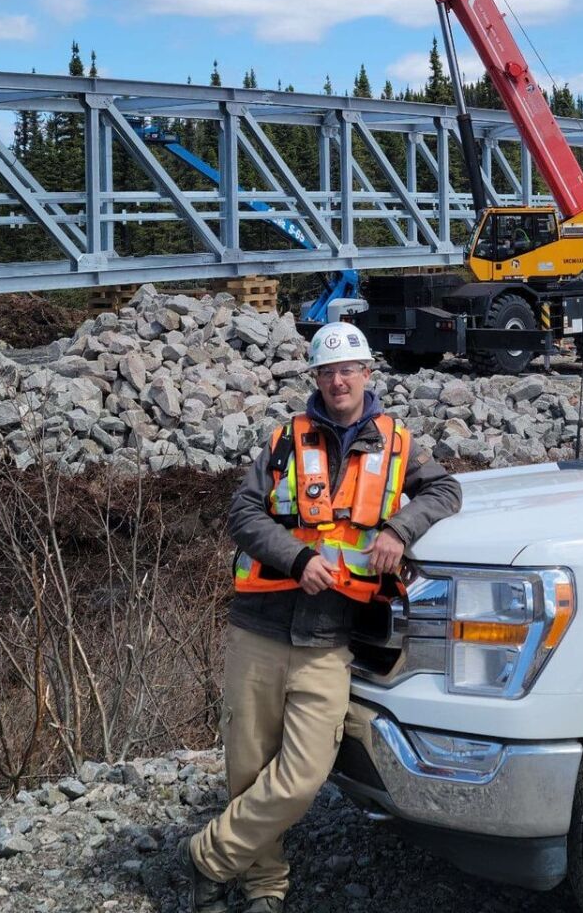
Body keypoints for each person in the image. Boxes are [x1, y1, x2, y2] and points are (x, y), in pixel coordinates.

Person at [173, 322, 461, 913]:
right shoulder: (284, 440)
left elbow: (446, 492)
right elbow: (243, 515)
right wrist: (297, 558)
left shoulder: (398, 444)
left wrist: (400, 530)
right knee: (248, 770)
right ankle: (264, 888)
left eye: (347, 370)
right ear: (316, 379)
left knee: (304, 773)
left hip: (329, 639)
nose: (337, 381)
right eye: (326, 372)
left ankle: (208, 855)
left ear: (367, 375)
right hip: (259, 628)